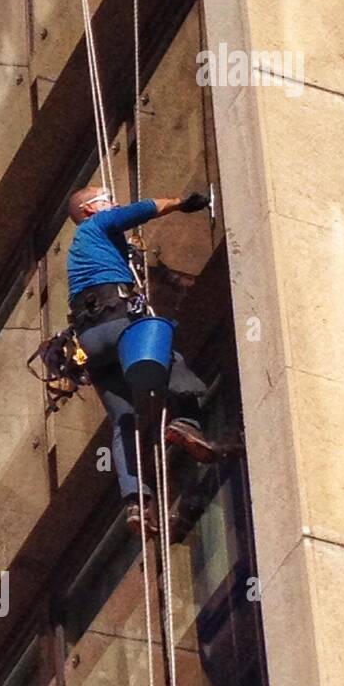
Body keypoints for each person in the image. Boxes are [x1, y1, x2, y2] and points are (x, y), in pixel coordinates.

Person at [67, 186, 223, 537]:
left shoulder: (85, 252)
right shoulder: (94, 227)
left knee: (123, 419)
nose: (114, 202)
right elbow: (141, 210)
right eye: (106, 197)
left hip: (90, 342)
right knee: (167, 357)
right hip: (119, 321)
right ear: (90, 210)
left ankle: (137, 502)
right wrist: (182, 203)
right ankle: (185, 421)